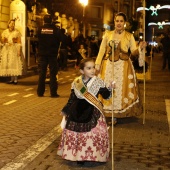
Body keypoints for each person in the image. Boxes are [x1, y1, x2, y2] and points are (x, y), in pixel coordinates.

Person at [57, 58, 115, 165]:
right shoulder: (76, 82)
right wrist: (66, 110)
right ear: (82, 71)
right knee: (77, 134)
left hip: (93, 110)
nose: (93, 70)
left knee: (95, 133)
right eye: (89, 68)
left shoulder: (98, 81)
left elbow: (106, 96)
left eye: (93, 67)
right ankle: (79, 156)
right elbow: (72, 98)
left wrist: (110, 88)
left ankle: (93, 154)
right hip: (76, 110)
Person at [95, 12, 146, 124]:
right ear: (114, 22)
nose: (119, 23)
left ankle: (116, 114)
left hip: (123, 67)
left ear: (124, 23)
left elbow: (133, 52)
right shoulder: (107, 34)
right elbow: (102, 50)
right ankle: (108, 113)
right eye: (117, 21)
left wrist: (140, 48)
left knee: (120, 90)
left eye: (121, 21)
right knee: (108, 88)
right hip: (108, 66)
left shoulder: (129, 36)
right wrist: (97, 64)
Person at [37, 14, 61, 98]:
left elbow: (38, 39)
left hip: (42, 54)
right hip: (52, 54)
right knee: (53, 74)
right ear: (51, 20)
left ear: (44, 20)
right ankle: (53, 93)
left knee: (42, 73)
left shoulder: (40, 29)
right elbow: (59, 40)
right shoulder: (55, 29)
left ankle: (40, 92)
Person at [0, 19, 24, 84]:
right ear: (8, 24)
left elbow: (19, 43)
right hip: (7, 49)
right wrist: (4, 43)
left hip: (14, 49)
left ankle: (15, 79)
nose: (12, 25)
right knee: (9, 64)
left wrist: (19, 51)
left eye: (13, 24)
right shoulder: (5, 32)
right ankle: (11, 79)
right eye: (11, 23)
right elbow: (2, 41)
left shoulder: (17, 32)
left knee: (14, 63)